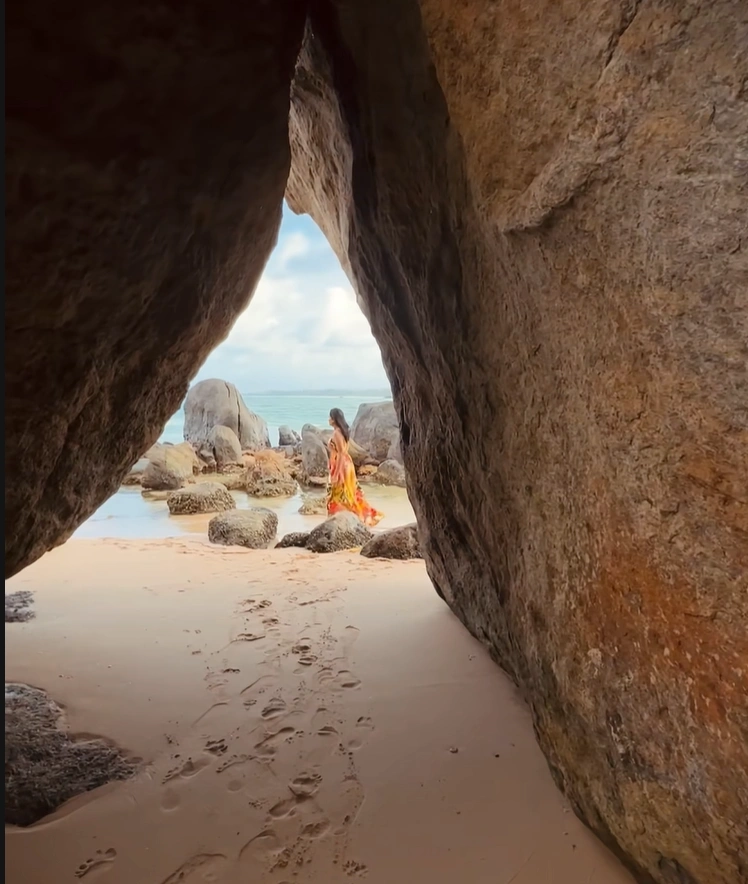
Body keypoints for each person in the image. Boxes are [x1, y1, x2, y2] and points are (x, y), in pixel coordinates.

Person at [326, 408, 383, 527]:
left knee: (340, 494)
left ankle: (344, 522)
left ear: (335, 419)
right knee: (350, 493)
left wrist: (337, 473)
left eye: (330, 417)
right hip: (346, 464)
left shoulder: (337, 433)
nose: (329, 420)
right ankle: (357, 519)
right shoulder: (342, 431)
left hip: (342, 465)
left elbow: (341, 453)